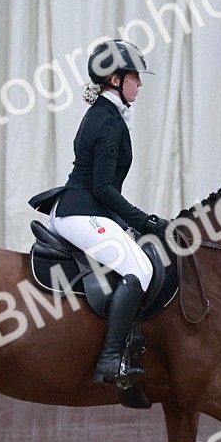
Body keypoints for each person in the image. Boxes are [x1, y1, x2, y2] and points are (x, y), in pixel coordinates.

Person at [49, 39, 168, 388]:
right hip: (81, 211)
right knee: (139, 267)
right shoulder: (108, 123)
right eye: (135, 77)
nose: (140, 84)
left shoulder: (107, 114)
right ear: (115, 80)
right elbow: (103, 188)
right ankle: (110, 359)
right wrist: (144, 221)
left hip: (84, 209)